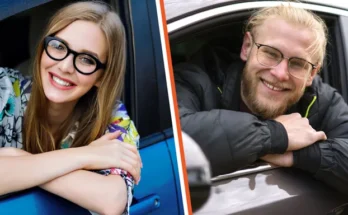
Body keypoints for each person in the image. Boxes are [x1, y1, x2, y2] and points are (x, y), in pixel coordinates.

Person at [175, 4, 348, 194]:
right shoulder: (196, 78)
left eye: (298, 64)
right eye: (270, 53)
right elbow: (173, 143)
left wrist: (302, 154)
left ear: (311, 74)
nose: (280, 73)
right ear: (247, 47)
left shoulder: (322, 100)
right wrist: (275, 136)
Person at [0, 1, 142, 215]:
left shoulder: (114, 119)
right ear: (42, 48)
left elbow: (111, 200)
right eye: (58, 46)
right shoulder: (4, 89)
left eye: (86, 59)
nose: (65, 67)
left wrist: (15, 159)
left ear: (101, 77)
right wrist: (85, 155)